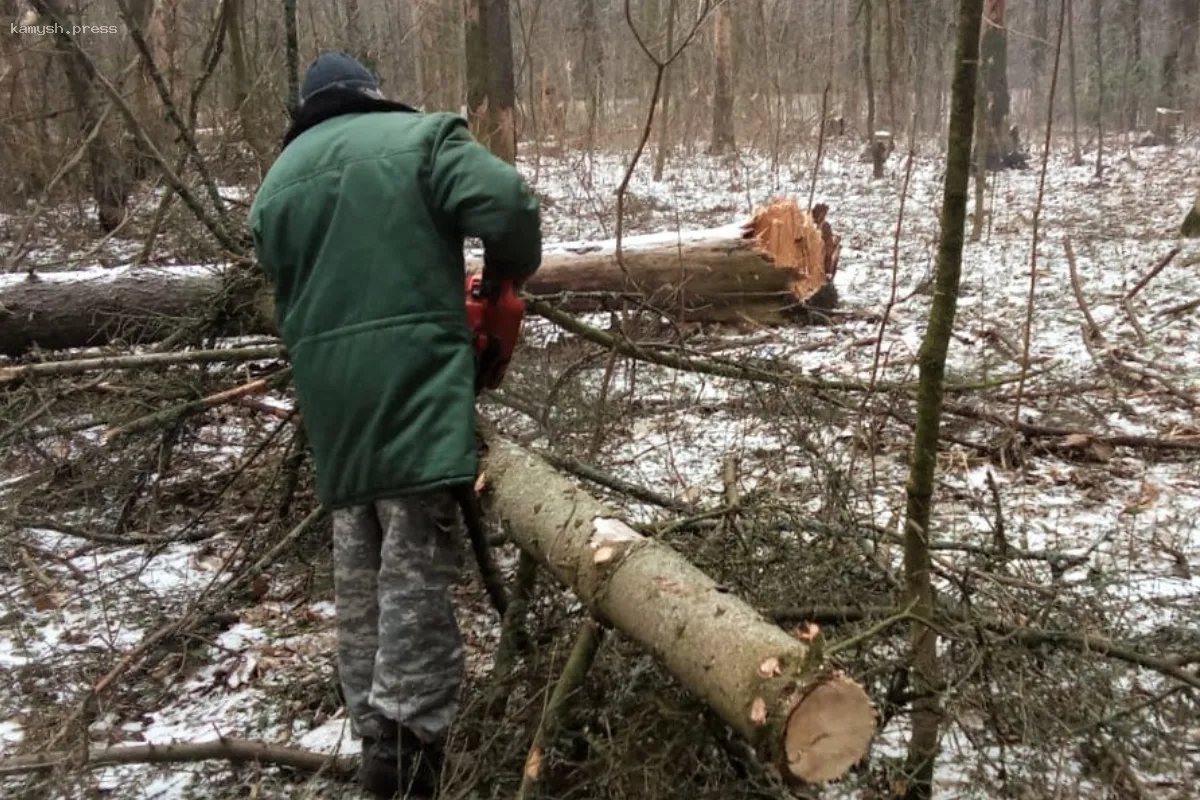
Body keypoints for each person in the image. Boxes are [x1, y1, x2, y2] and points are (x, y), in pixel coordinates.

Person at [248, 52, 542, 798]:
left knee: (360, 559)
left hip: (330, 396)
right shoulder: (423, 141)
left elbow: (286, 288)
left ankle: (372, 725)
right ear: (371, 98)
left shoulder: (275, 187)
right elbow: (507, 202)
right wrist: (504, 277)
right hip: (412, 380)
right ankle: (410, 748)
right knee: (414, 563)